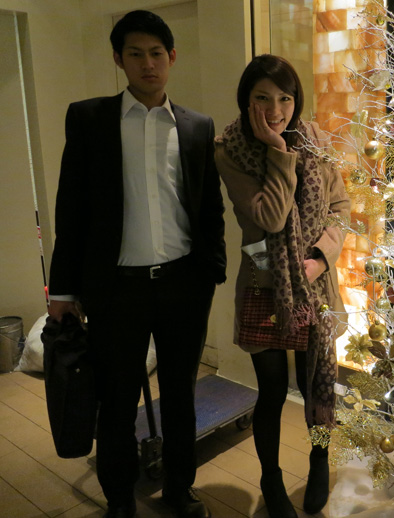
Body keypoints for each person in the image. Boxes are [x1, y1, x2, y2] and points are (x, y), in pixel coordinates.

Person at [47, 10, 226, 518]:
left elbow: (208, 207)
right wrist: (63, 290)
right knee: (117, 400)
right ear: (118, 59)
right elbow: (70, 207)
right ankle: (121, 501)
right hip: (115, 289)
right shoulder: (90, 119)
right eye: (135, 54)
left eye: (156, 53)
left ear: (172, 58)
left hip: (183, 284)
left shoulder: (196, 126)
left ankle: (178, 489)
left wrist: (211, 269)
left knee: (181, 396)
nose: (147, 64)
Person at [215, 54, 350, 518]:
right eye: (263, 98)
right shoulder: (230, 150)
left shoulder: (316, 140)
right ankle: (270, 479)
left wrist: (320, 257)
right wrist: (278, 150)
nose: (276, 110)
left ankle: (319, 460)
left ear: (297, 100)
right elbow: (270, 217)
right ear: (246, 100)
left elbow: (340, 207)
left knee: (317, 387)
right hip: (264, 288)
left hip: (314, 285)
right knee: (272, 393)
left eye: (285, 99)